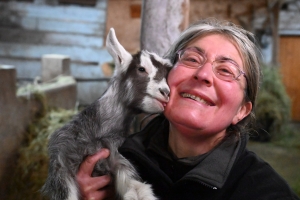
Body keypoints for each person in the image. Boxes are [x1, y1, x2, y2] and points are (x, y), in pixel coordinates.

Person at [76, 19, 300, 200]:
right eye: (192, 59)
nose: (203, 74)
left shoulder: (266, 192)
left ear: (242, 110)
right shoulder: (109, 165)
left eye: (225, 70)